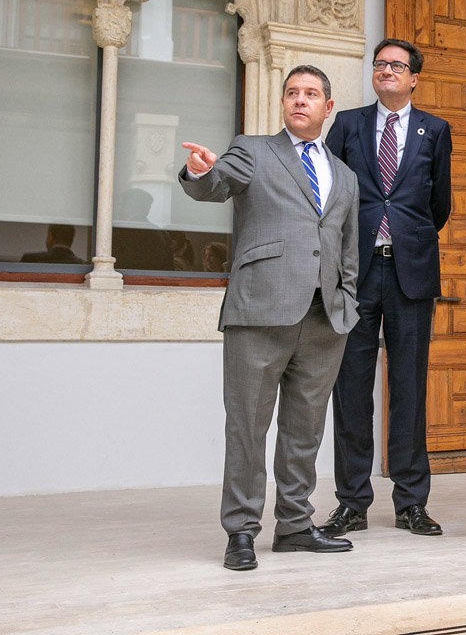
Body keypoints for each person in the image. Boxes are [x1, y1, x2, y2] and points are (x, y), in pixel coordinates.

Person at [179, 64, 360, 571]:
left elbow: (349, 249)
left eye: (311, 94)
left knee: (305, 430)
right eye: (291, 93)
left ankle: (296, 526)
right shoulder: (253, 151)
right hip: (260, 311)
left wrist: (348, 300)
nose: (299, 100)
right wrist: (200, 172)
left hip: (325, 319)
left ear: (328, 108)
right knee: (247, 427)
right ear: (283, 104)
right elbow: (217, 183)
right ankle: (240, 531)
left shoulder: (344, 176)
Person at [322, 38, 452, 538]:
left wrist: (403, 236)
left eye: (397, 66)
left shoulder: (434, 130)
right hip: (355, 273)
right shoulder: (350, 124)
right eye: (380, 65)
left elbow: (437, 205)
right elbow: (330, 191)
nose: (387, 72)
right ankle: (352, 502)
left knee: (409, 389)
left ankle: (410, 503)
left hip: (410, 272)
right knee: (350, 389)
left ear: (414, 77)